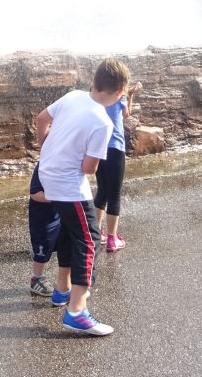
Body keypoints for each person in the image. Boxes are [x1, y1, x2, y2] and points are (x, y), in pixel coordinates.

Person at [36, 57, 130, 337]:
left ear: (95, 80)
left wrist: (48, 148)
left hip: (48, 175)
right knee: (90, 240)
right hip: (69, 185)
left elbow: (42, 119)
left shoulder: (73, 96)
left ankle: (62, 291)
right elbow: (89, 168)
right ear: (120, 91)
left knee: (69, 233)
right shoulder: (102, 122)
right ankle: (77, 311)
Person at [95, 81, 141, 252]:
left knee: (102, 190)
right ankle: (113, 239)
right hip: (115, 147)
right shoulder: (120, 96)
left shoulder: (99, 96)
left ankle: (98, 233)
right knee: (114, 194)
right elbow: (126, 115)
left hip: (99, 147)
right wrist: (131, 96)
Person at [28, 162, 60, 298]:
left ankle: (67, 279)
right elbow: (35, 193)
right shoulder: (45, 164)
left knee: (65, 246)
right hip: (42, 218)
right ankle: (37, 277)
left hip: (59, 215)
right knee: (43, 248)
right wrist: (57, 198)